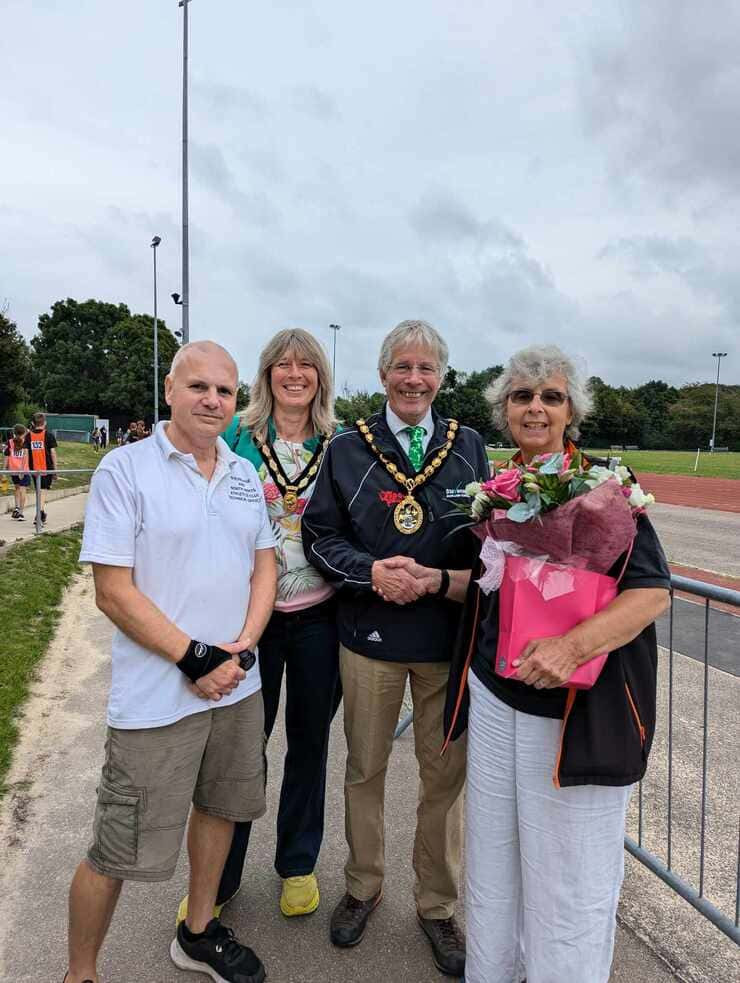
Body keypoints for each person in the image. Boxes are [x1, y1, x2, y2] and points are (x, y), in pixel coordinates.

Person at [443, 345, 671, 983]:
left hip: (571, 711)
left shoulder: (607, 490)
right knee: (494, 857)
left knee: (568, 872)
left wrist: (571, 647)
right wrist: (434, 580)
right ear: (504, 411)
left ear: (572, 411)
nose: (535, 408)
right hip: (493, 698)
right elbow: (490, 588)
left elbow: (650, 593)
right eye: (522, 396)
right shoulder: (493, 491)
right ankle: (494, 970)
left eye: (550, 397)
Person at [64, 340, 278, 983]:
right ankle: (81, 973)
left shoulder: (242, 473)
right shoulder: (125, 471)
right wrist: (195, 658)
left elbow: (264, 561)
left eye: (226, 390)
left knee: (220, 809)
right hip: (159, 699)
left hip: (237, 689)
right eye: (199, 387)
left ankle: (199, 931)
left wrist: (242, 644)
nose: (213, 400)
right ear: (170, 391)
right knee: (119, 846)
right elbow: (113, 590)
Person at [302, 319, 489, 978]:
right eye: (402, 367)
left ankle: (436, 904)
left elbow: (486, 540)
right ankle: (363, 884)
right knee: (365, 769)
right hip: (370, 636)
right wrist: (372, 572)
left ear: (441, 376)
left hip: (446, 639)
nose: (414, 379)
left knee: (445, 781)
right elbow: (319, 534)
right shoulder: (349, 446)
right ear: (383, 374)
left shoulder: (467, 445)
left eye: (426, 368)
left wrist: (447, 582)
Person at [176, 328, 342, 929]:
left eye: (307, 365)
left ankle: (298, 864)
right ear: (266, 373)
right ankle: (221, 876)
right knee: (242, 751)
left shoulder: (339, 444)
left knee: (310, 744)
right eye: (282, 364)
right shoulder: (237, 436)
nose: (294, 373)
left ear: (320, 377)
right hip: (250, 620)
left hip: (321, 615)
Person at [23, 411, 57, 524]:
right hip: (46, 468)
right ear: (45, 423)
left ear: (33, 423)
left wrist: (26, 467)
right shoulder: (49, 435)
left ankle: (41, 513)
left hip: (34, 468)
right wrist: (55, 470)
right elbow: (53, 453)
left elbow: (26, 453)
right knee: (43, 491)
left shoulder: (28, 436)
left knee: (39, 491)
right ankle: (40, 513)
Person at [4, 424, 30, 520]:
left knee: (17, 489)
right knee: (23, 490)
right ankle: (21, 513)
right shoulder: (26, 442)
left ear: (14, 433)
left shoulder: (10, 442)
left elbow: (6, 457)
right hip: (23, 470)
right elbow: (25, 457)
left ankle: (16, 507)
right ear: (24, 433)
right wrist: (22, 471)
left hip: (13, 470)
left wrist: (4, 471)